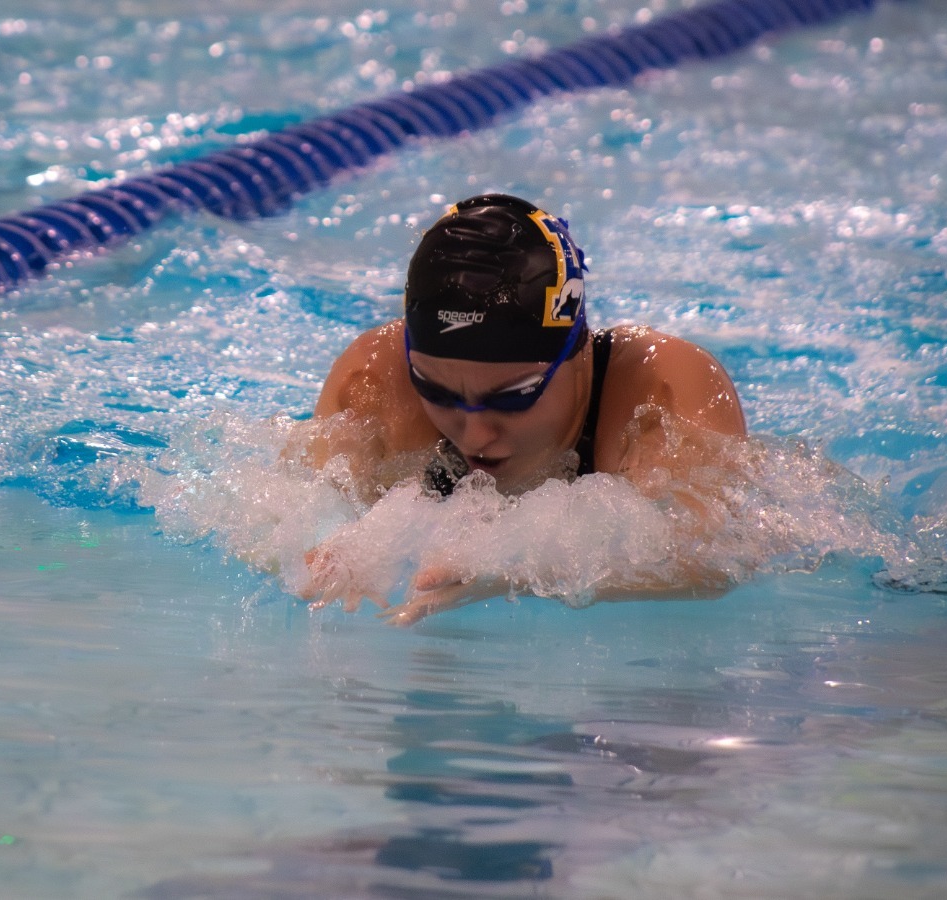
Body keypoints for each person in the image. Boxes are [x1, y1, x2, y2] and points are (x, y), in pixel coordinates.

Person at [300, 193, 748, 623]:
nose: (475, 435)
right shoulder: (377, 382)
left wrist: (514, 569)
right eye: (437, 392)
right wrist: (329, 545)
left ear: (578, 354)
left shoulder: (656, 395)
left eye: (513, 396)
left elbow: (716, 560)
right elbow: (289, 514)